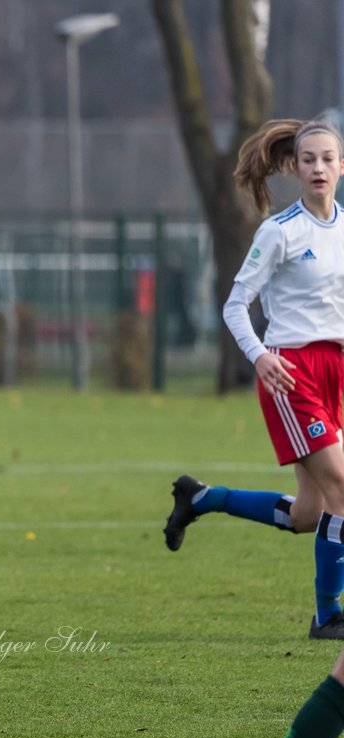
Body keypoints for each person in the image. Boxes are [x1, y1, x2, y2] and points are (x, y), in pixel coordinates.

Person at [165, 118, 344, 648]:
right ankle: (328, 616)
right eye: (308, 158)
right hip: (292, 375)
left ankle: (200, 499)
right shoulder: (280, 230)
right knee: (343, 490)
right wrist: (260, 356)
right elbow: (235, 304)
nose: (317, 167)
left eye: (327, 158)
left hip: (334, 373)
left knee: (309, 514)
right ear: (294, 166)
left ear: (341, 166)